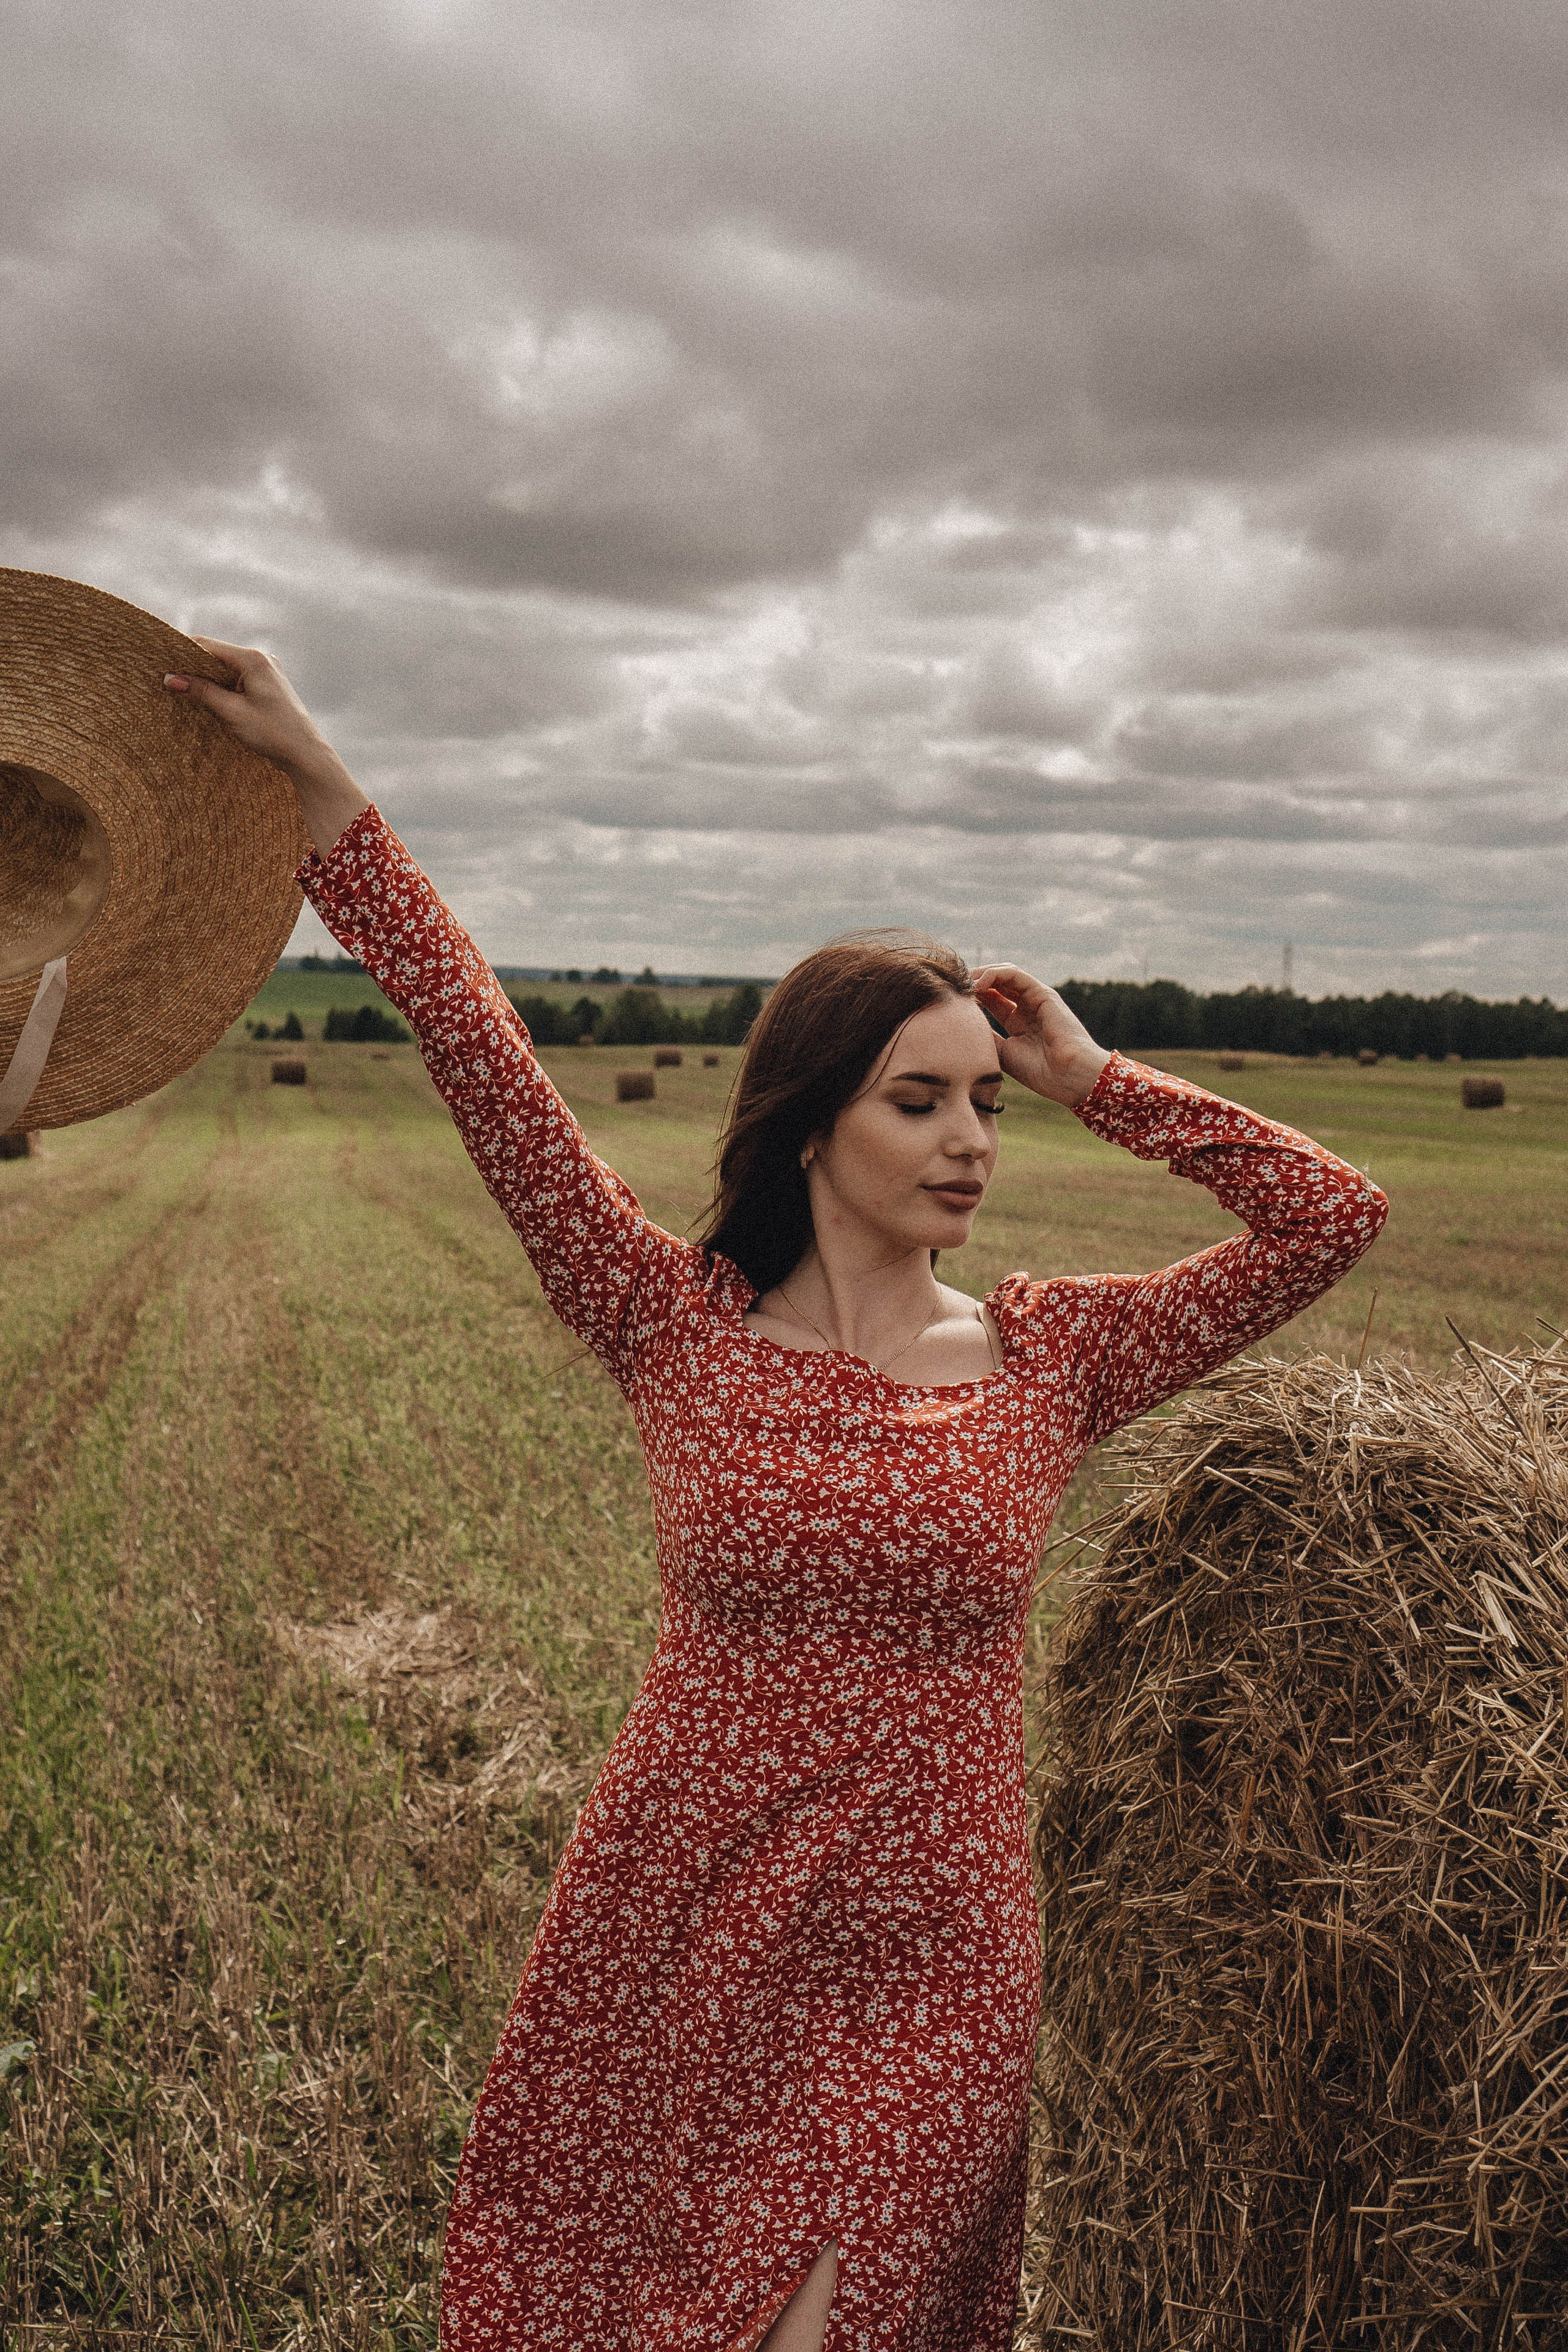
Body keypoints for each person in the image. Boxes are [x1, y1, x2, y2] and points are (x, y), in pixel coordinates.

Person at [164, 644, 1388, 2352]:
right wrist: (320, 788)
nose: (970, 1138)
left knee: (827, 2319)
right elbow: (483, 1055)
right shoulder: (669, 1320)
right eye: (921, 1099)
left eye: (983, 1104)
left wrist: (1093, 1082)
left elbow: (1333, 1222)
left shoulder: (1056, 1361)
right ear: (813, 1122)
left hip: (937, 1952)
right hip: (687, 1906)